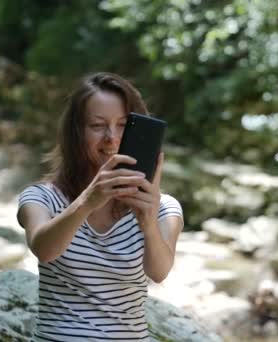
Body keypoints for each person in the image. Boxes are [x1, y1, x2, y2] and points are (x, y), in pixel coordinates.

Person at [16, 72, 184, 341]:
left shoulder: (164, 207)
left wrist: (148, 222)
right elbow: (44, 250)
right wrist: (88, 200)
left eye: (123, 125)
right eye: (97, 125)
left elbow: (159, 272)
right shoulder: (41, 197)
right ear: (75, 133)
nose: (111, 138)